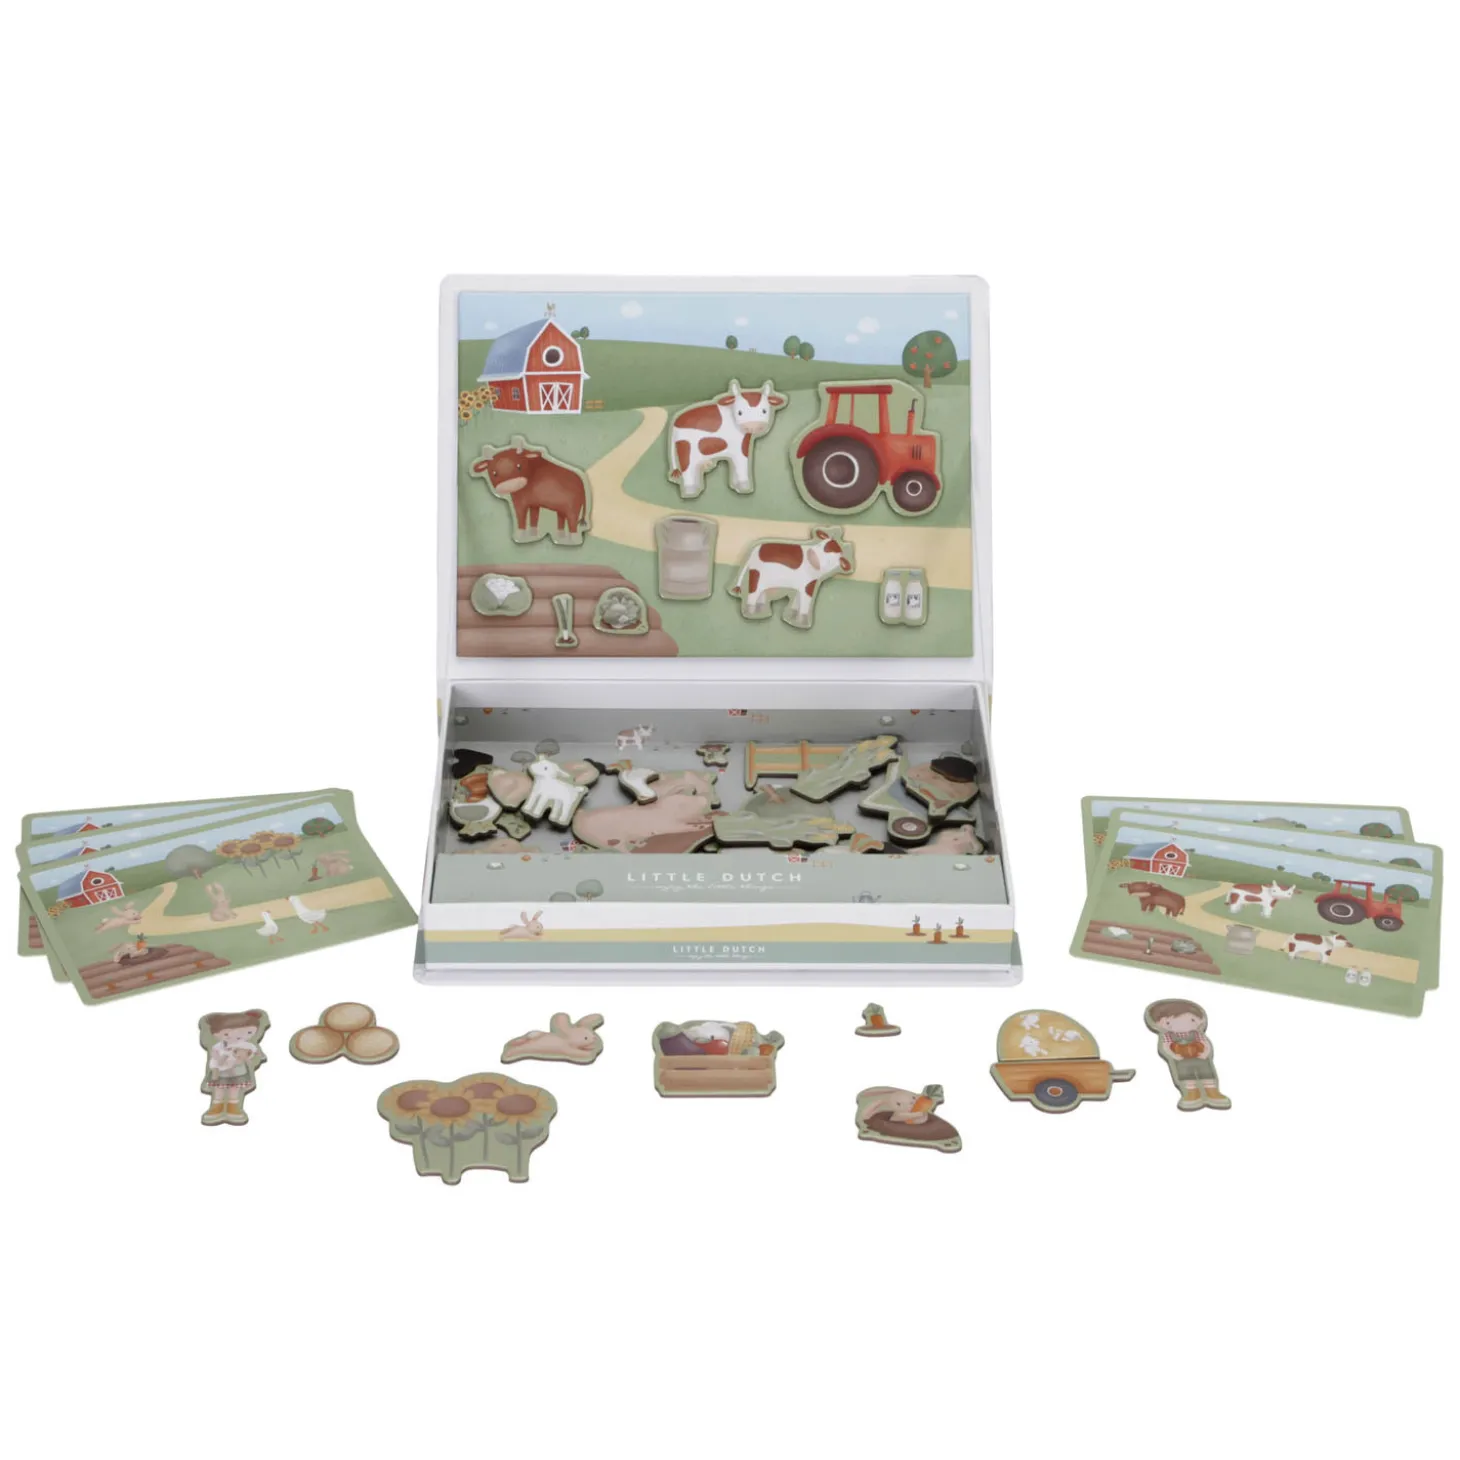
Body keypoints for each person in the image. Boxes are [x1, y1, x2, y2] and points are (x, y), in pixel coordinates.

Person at [1146, 999, 1229, 1110]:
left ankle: (1213, 1093)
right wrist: (1175, 1056)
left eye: (1191, 1020)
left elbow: (1205, 1044)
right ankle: (1192, 1094)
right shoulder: (1167, 1037)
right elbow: (1166, 1047)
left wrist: (1205, 1053)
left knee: (1207, 1075)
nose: (1182, 1025)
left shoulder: (1197, 1034)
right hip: (1181, 1061)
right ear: (1160, 1023)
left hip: (1201, 1058)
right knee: (1186, 1077)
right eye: (1169, 1022)